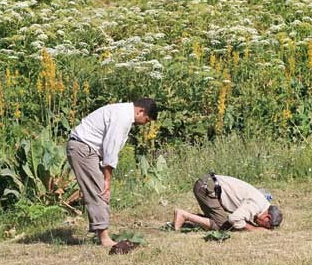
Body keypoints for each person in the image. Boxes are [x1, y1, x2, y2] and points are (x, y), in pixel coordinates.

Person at [66, 97, 158, 246]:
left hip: (86, 148)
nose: (145, 124)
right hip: (83, 148)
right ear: (140, 111)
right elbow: (111, 149)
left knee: (98, 189)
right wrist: (107, 179)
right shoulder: (122, 117)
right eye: (146, 120)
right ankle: (104, 238)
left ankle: (100, 231)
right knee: (99, 190)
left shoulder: (122, 112)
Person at [173, 173, 283, 231]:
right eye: (265, 226)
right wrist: (253, 229)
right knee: (222, 226)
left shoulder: (262, 203)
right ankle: (183, 215)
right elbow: (233, 219)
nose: (261, 227)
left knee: (219, 219)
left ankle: (186, 221)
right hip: (206, 188)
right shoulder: (256, 205)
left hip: (208, 185)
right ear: (267, 218)